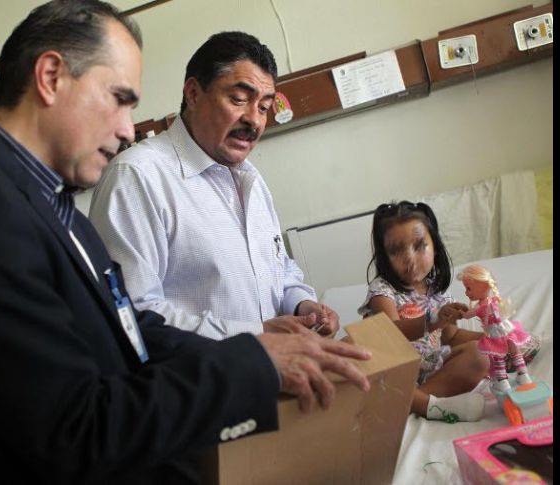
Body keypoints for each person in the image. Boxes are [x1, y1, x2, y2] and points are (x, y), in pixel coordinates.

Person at [0, 2, 372, 484]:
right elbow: (75, 429)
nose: (129, 129)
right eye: (119, 99)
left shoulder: (51, 204)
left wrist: (260, 347)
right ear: (50, 77)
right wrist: (252, 361)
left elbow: (130, 331)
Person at [88, 31, 339, 341]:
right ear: (193, 94)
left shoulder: (251, 181)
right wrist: (255, 335)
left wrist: (301, 305)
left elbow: (277, 269)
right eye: (239, 99)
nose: (254, 121)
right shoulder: (137, 178)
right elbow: (135, 314)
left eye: (263, 107)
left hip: (273, 374)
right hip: (197, 384)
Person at [358, 201, 490, 422]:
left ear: (435, 246)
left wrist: (492, 339)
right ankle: (431, 406)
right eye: (396, 250)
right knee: (356, 360)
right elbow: (390, 334)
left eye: (419, 246)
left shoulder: (438, 293)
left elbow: (451, 337)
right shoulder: (382, 290)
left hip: (430, 374)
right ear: (384, 257)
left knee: (481, 355)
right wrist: (431, 321)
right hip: (393, 374)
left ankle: (417, 403)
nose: (409, 258)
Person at [457, 264, 533, 394]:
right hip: (507, 329)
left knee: (498, 356)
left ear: (483, 287)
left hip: (495, 334)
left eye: (468, 289)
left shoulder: (479, 307)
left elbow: (466, 316)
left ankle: (502, 381)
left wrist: (460, 313)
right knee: (515, 351)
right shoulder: (494, 300)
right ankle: (523, 374)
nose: (466, 293)